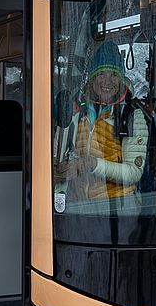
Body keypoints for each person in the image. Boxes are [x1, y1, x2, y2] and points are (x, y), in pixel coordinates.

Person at [55, 41, 149, 201]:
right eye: (101, 74)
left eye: (114, 75)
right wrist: (58, 172)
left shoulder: (132, 115)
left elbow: (134, 172)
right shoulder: (77, 112)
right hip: (78, 211)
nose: (107, 81)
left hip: (117, 214)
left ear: (121, 79)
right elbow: (56, 154)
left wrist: (91, 164)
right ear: (92, 78)